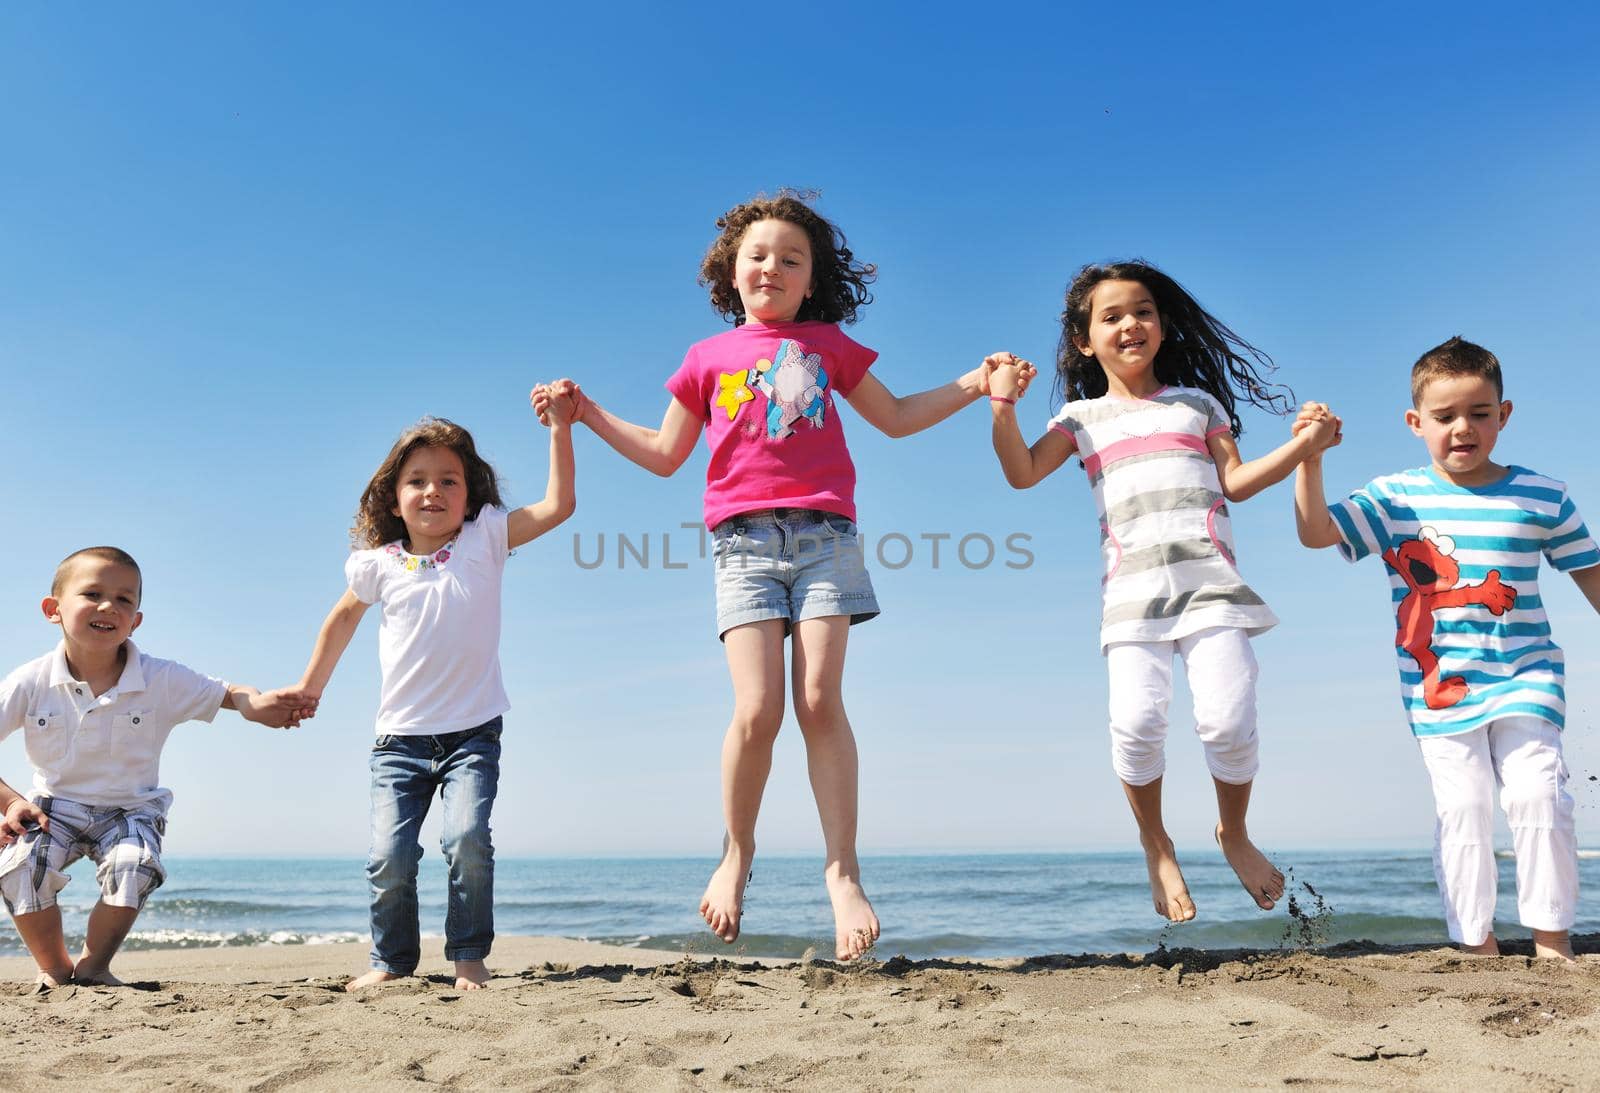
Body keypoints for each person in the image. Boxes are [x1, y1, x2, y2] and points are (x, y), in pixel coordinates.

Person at [534, 190, 1027, 960]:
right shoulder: (706, 358)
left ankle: (842, 870)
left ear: (810, 280)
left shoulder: (828, 345)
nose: (772, 266)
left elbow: (895, 416)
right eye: (758, 255)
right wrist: (588, 414)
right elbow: (665, 455)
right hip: (742, 545)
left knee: (820, 698)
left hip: (827, 536)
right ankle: (737, 852)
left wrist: (974, 381)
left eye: (791, 259)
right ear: (731, 271)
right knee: (758, 708)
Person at [985, 260, 1337, 922]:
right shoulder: (1079, 418)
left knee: (1228, 719)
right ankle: (1156, 840)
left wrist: (1305, 447)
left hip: (1212, 588)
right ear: (1085, 340)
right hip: (1132, 596)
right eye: (1111, 315)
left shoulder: (1197, 405)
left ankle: (1233, 832)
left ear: (1163, 325)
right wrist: (1002, 406)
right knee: (1138, 723)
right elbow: (1022, 471)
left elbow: (1235, 480)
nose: (1130, 323)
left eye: (1142, 310)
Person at [1293, 335, 1600, 960]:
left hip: (1527, 676)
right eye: (1445, 417)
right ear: (1416, 423)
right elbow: (1315, 531)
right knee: (1465, 807)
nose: (1463, 428)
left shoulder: (1543, 496)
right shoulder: (1395, 497)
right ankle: (1475, 944)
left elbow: (1590, 576)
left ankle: (1551, 940)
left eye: (1479, 414)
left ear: (1503, 415)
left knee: (1540, 795)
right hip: (1437, 688)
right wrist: (1309, 458)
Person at [292, 396, 576, 990]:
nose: (432, 492)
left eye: (448, 480)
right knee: (388, 859)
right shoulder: (378, 565)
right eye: (416, 481)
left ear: (469, 493)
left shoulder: (487, 539)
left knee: (466, 840)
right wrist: (309, 689)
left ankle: (468, 956)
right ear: (393, 497)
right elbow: (340, 621)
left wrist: (560, 430)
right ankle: (391, 962)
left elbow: (558, 506)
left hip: (473, 733)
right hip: (398, 741)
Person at [0, 546, 308, 987]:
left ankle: (94, 966)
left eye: (125, 599)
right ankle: (53, 967)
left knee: (135, 865)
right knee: (20, 865)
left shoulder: (161, 677)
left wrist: (256, 704)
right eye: (92, 593)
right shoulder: (29, 682)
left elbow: (228, 693)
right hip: (54, 807)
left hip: (131, 808)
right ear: (53, 610)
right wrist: (10, 802)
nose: (109, 606)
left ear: (136, 619)